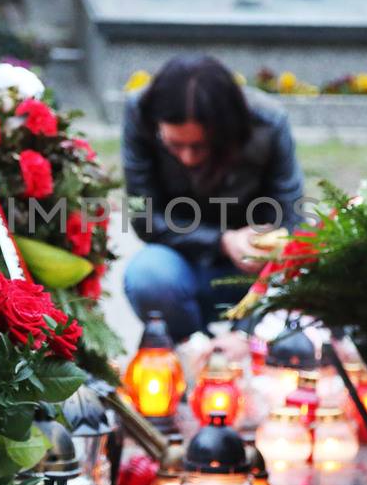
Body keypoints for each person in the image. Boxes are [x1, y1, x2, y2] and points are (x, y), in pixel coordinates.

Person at [122, 55, 304, 340]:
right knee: (148, 276)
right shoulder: (140, 112)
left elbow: (292, 219)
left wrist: (245, 332)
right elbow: (146, 218)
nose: (188, 158)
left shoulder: (268, 122)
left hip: (254, 270)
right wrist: (222, 240)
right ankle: (191, 351)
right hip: (179, 263)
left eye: (199, 146)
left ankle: (246, 345)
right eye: (174, 144)